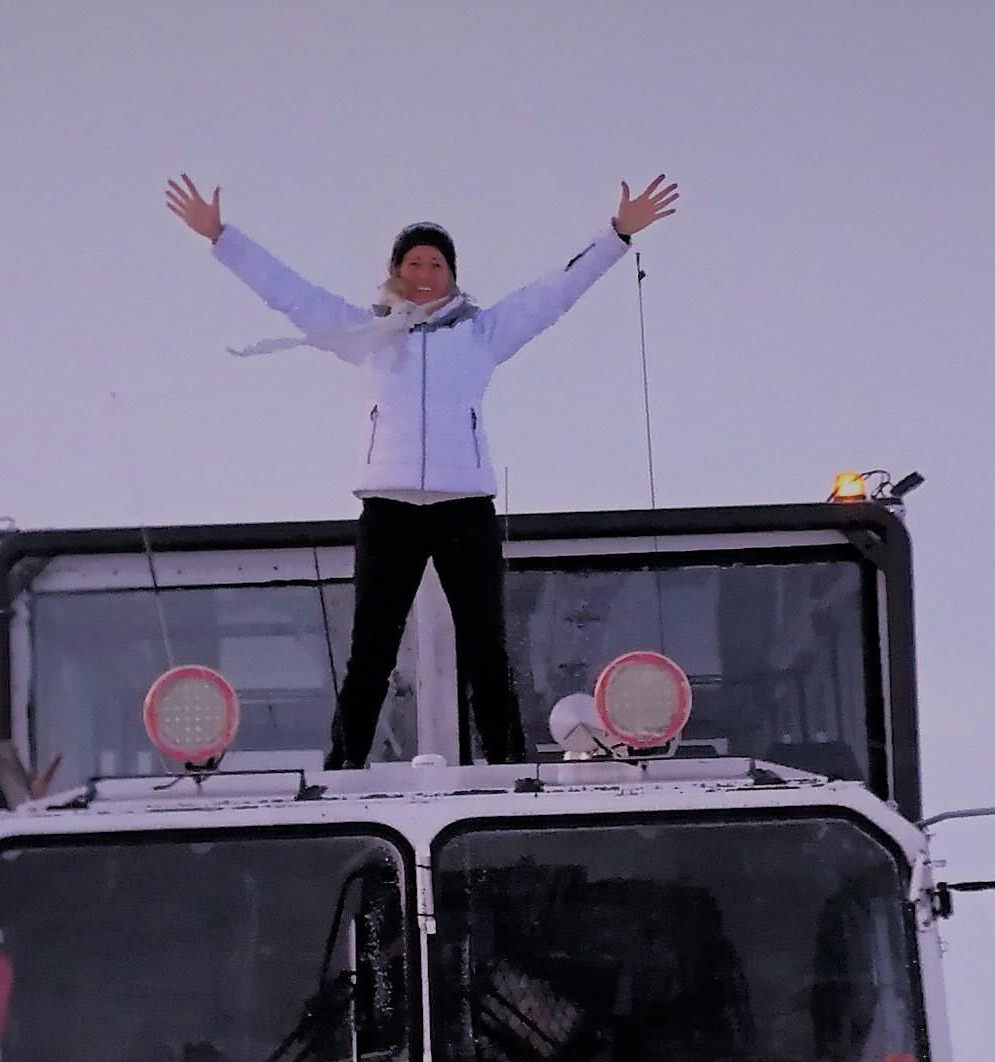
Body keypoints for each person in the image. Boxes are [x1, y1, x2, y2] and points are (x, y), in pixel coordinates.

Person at [167, 172, 680, 769]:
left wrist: (616, 234)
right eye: (414, 262)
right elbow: (290, 293)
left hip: (464, 507)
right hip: (389, 511)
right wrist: (222, 238)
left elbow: (554, 293)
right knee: (372, 653)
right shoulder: (367, 336)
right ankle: (342, 771)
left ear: (451, 276)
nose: (425, 273)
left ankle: (510, 769)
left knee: (487, 648)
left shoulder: (482, 335)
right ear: (396, 272)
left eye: (436, 264)